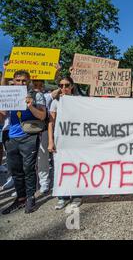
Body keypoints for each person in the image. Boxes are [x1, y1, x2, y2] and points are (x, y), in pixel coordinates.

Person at [0, 68, 47, 214]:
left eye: (24, 80)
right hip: (10, 137)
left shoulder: (37, 95)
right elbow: (2, 117)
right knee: (15, 170)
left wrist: (30, 106)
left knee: (28, 168)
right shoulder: (8, 95)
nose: (21, 83)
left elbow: (42, 116)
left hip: (29, 136)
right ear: (13, 81)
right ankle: (20, 199)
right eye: (18, 80)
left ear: (29, 81)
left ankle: (30, 197)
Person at [47, 76, 82, 210]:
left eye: (67, 85)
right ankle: (62, 197)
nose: (64, 88)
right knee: (61, 167)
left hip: (76, 140)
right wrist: (50, 141)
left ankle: (77, 195)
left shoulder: (79, 101)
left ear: (72, 86)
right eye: (61, 85)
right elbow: (51, 123)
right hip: (60, 140)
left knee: (76, 166)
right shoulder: (56, 102)